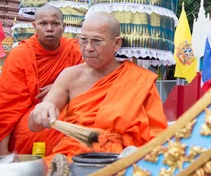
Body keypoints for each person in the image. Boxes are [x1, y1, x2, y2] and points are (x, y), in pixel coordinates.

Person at [29, 12, 168, 160]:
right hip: (75, 158)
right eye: (83, 40)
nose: (88, 48)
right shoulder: (70, 76)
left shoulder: (138, 80)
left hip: (123, 160)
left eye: (97, 41)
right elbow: (34, 126)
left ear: (116, 44)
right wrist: (40, 112)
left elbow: (157, 135)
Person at [0, 5, 83, 156]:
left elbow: (91, 81)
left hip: (67, 110)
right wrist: (2, 151)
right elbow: (6, 105)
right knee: (39, 132)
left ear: (63, 27)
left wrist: (62, 88)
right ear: (34, 26)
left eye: (55, 24)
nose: (49, 29)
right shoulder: (21, 55)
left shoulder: (74, 50)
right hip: (30, 115)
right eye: (43, 24)